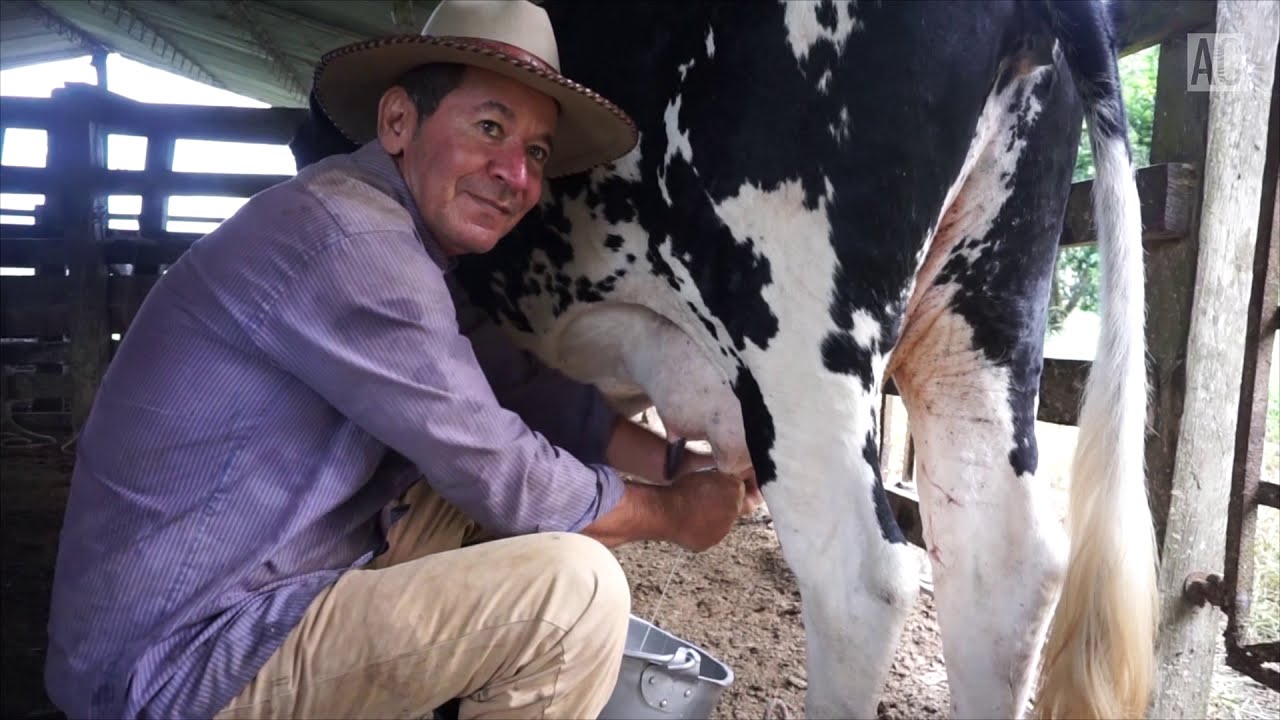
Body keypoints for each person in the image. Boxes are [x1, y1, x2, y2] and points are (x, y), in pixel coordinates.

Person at [43, 2, 757, 718]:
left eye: (537, 152)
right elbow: (499, 468)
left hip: (263, 584)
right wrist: (672, 513)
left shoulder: (391, 237)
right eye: (490, 128)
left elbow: (513, 385)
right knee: (573, 595)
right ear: (397, 122)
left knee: (485, 504)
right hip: (180, 663)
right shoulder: (351, 240)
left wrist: (670, 462)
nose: (516, 174)